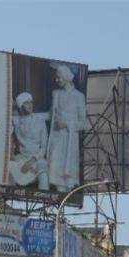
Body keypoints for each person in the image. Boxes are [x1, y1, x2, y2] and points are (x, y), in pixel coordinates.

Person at [46, 64, 89, 192]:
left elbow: (84, 123)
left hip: (69, 144)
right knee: (55, 178)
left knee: (67, 181)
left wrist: (67, 124)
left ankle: (64, 205)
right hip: (56, 141)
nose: (57, 80)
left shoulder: (78, 96)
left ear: (66, 77)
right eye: (56, 77)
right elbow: (50, 116)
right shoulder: (56, 95)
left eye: (59, 77)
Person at [10, 92, 49, 189]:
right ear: (21, 106)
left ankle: (44, 201)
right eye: (26, 103)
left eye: (31, 102)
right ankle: (10, 199)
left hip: (37, 159)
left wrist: (32, 161)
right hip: (21, 158)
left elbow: (44, 147)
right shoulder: (16, 121)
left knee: (44, 177)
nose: (30, 105)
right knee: (7, 170)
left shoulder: (40, 121)